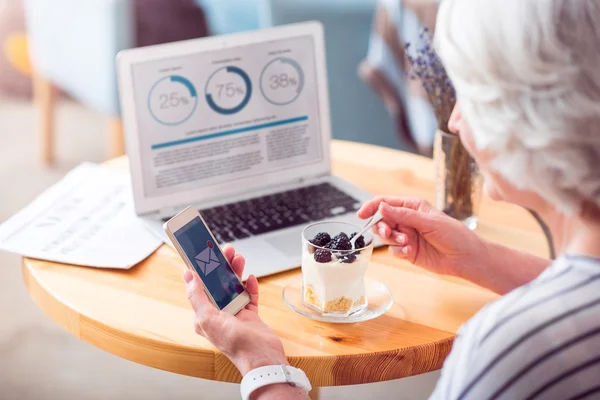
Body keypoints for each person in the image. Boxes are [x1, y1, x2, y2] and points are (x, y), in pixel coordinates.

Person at [182, 0, 600, 398]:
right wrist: (478, 259)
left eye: (469, 96)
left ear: (531, 116)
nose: (454, 121)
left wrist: (262, 365)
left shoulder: (515, 350)